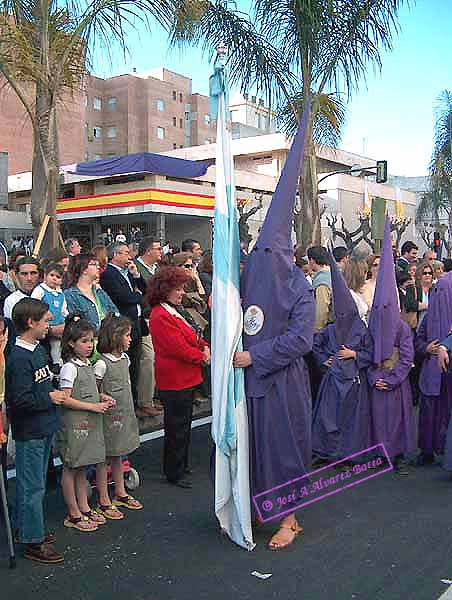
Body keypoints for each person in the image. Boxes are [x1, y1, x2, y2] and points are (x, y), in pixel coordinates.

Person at [234, 117, 315, 550]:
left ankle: (290, 517)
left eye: (272, 252)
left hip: (282, 383)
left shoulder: (301, 290)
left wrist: (256, 357)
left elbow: (300, 341)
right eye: (259, 252)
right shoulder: (252, 279)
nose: (265, 258)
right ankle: (253, 505)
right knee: (252, 449)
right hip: (249, 383)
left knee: (284, 450)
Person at [5, 298, 66, 563]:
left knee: (36, 483)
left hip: (42, 427)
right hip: (30, 430)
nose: (48, 325)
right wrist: (50, 398)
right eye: (44, 321)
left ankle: (29, 528)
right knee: (32, 487)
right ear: (30, 323)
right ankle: (32, 540)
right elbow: (19, 400)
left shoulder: (36, 349)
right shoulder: (19, 358)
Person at [148, 267, 210, 489]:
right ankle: (174, 470)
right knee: (176, 427)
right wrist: (202, 356)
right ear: (165, 290)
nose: (182, 293)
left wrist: (204, 347)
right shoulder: (160, 315)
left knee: (183, 425)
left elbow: (193, 335)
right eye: (178, 289)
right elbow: (178, 348)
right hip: (174, 378)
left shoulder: (174, 311)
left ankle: (180, 464)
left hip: (185, 377)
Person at [312, 252, 373, 461]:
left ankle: (347, 454)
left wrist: (354, 354)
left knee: (349, 419)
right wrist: (323, 359)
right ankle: (325, 451)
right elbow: (316, 343)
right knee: (328, 417)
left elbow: (369, 352)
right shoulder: (331, 330)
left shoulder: (361, 331)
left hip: (352, 380)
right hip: (333, 379)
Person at [367, 217, 415, 475]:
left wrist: (394, 378)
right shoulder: (372, 327)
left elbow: (406, 358)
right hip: (379, 379)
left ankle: (399, 456)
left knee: (398, 420)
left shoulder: (402, 328)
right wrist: (374, 377)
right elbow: (366, 353)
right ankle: (380, 455)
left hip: (396, 382)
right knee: (379, 421)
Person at [57, 316, 114, 530]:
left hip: (87, 423)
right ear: (71, 343)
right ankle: (73, 512)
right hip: (75, 425)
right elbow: (66, 398)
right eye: (84, 341)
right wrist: (93, 407)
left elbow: (90, 391)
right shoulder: (69, 368)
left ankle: (85, 507)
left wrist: (102, 397)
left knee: (82, 465)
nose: (90, 345)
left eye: (91, 341)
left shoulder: (87, 364)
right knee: (72, 466)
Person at [94, 314, 142, 513]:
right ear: (115, 337)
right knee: (104, 458)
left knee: (119, 453)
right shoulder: (102, 364)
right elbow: (93, 390)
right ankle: (104, 499)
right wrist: (102, 396)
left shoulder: (125, 359)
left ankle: (120, 492)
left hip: (124, 414)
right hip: (108, 418)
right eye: (127, 335)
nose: (130, 339)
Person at [100, 243, 148, 412]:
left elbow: (145, 290)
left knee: (136, 364)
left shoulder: (128, 272)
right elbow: (122, 297)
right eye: (126, 253)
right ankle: (129, 405)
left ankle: (136, 402)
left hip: (137, 323)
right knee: (126, 366)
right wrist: (138, 296)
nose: (130, 256)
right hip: (123, 326)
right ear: (116, 255)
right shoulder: (109, 274)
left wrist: (136, 275)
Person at [415, 273, 452, 464]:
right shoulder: (430, 316)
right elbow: (419, 339)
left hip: (448, 369)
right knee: (428, 411)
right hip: (431, 368)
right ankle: (427, 450)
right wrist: (427, 348)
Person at [64, 254, 118, 332]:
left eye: (98, 264)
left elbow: (115, 312)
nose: (98, 267)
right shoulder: (70, 295)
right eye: (93, 264)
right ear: (83, 270)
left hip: (108, 339)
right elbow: (76, 325)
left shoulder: (99, 291)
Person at [31, 263, 68, 369]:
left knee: (57, 344)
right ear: (45, 276)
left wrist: (67, 319)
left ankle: (57, 363)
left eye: (58, 277)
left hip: (58, 323)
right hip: (44, 323)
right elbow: (34, 303)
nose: (54, 279)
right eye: (52, 275)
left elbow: (64, 309)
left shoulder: (61, 294)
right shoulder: (41, 290)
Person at [3, 257, 41, 349]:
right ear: (16, 276)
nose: (29, 278)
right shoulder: (11, 300)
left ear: (40, 275)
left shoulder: (47, 295)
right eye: (24, 274)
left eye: (33, 273)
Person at [307, 245, 333, 332]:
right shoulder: (332, 275)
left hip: (327, 329)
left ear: (312, 260)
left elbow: (322, 310)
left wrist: (316, 331)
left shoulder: (322, 281)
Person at [405, 261, 434, 332]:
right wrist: (429, 306)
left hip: (431, 326)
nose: (428, 275)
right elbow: (409, 304)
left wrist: (421, 305)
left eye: (430, 273)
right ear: (419, 275)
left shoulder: (435, 289)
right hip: (415, 325)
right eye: (425, 273)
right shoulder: (412, 288)